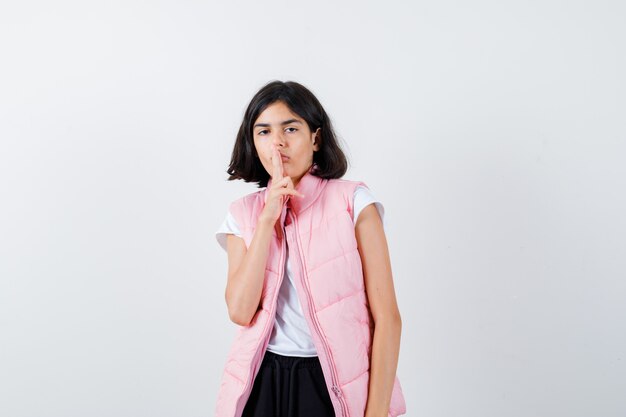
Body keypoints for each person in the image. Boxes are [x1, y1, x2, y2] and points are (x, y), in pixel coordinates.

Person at [214, 80, 406, 417]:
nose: (277, 142)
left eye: (290, 128)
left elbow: (388, 319)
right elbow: (241, 312)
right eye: (263, 132)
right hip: (261, 379)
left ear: (315, 137)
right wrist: (267, 217)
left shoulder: (354, 202)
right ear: (252, 141)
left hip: (330, 383)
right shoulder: (241, 214)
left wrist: (376, 413)